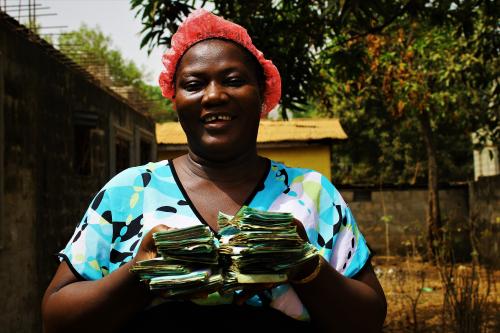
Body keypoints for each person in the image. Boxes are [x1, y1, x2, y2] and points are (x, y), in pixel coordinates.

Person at [42, 9, 386, 333]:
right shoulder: (129, 192)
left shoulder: (311, 193)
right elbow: (56, 319)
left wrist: (306, 266)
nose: (214, 95)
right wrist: (140, 275)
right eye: (193, 84)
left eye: (233, 80)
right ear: (173, 99)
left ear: (262, 94)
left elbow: (369, 320)